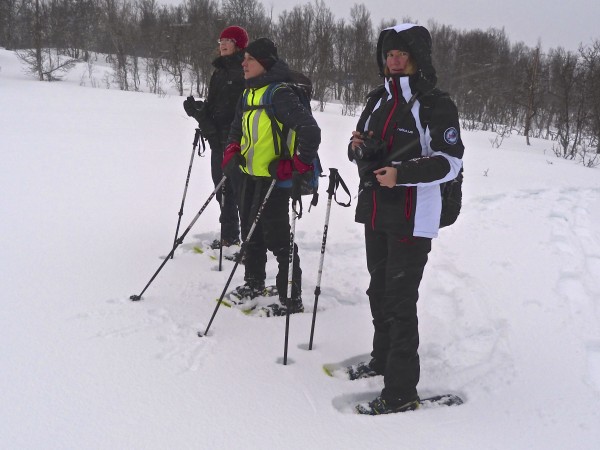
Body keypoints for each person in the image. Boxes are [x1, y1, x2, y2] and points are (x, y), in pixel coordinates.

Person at [348, 24, 464, 414]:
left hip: (413, 218)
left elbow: (450, 162)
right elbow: (363, 143)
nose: (394, 61)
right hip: (377, 211)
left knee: (399, 301)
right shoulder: (378, 98)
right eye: (389, 54)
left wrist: (402, 173)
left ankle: (401, 391)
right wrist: (356, 146)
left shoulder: (434, 104)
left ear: (417, 57)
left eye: (402, 54)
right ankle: (382, 360)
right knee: (377, 291)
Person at [221, 37, 321, 316]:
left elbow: (310, 132)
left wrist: (295, 165)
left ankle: (291, 298)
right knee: (250, 233)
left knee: (278, 238)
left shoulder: (279, 93)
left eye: (249, 59)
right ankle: (253, 283)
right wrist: (231, 152)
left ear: (263, 64)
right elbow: (236, 130)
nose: (243, 63)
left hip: (277, 181)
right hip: (250, 175)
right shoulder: (247, 94)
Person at [183, 26, 249, 249]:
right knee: (222, 191)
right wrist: (200, 111)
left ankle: (250, 244)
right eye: (221, 39)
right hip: (217, 142)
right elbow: (216, 107)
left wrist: (214, 124)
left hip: (236, 143)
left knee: (239, 193)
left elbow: (239, 111)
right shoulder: (219, 72)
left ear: (239, 45)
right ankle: (230, 236)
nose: (223, 43)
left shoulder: (244, 71)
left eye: (229, 40)